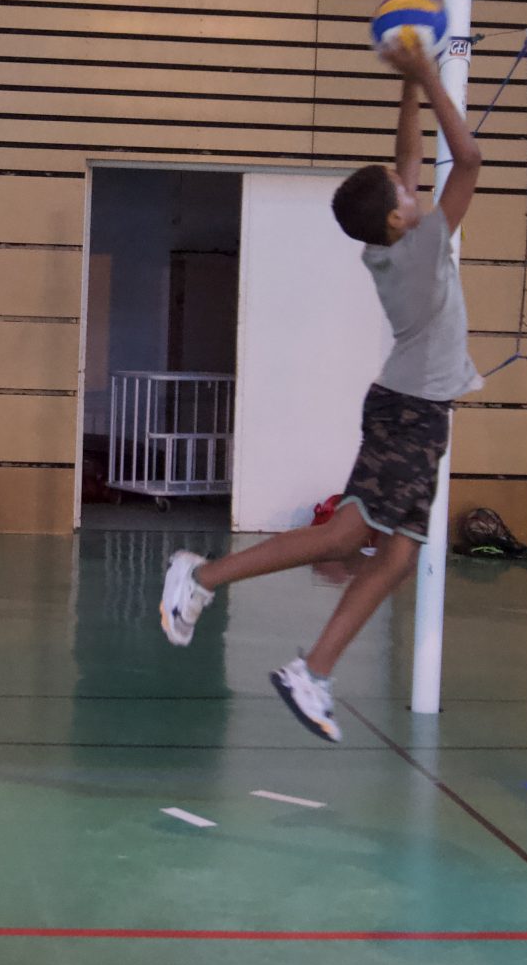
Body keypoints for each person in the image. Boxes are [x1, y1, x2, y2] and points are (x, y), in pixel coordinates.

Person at [154, 38, 483, 741]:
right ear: (400, 218)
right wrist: (426, 72)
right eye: (405, 193)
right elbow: (470, 161)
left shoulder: (393, 242)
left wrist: (407, 88)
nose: (412, 188)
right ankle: (202, 578)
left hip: (411, 409)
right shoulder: (422, 249)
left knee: (395, 554)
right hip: (413, 412)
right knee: (351, 535)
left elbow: (406, 163)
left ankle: (313, 671)